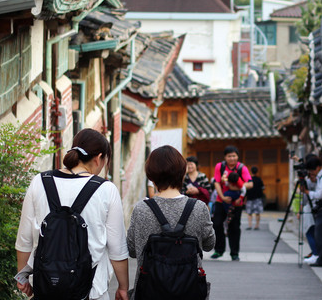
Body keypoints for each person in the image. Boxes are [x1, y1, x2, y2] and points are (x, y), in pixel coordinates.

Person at [15, 129, 130, 300]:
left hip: (47, 287)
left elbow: (24, 239)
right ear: (98, 158)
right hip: (92, 291)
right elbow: (117, 248)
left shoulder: (39, 182)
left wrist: (23, 277)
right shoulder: (106, 190)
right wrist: (123, 286)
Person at [126, 146, 216, 299]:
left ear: (151, 176)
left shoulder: (141, 209)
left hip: (149, 291)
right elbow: (209, 245)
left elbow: (132, 250)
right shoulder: (199, 208)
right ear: (182, 174)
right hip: (189, 290)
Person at [211, 145, 253, 261]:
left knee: (234, 227)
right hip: (221, 200)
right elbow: (217, 183)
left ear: (237, 156)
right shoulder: (220, 166)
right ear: (225, 157)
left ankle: (234, 253)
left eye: (234, 156)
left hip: (236, 202)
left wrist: (236, 187)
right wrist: (223, 197)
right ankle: (219, 250)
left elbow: (250, 184)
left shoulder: (241, 168)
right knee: (217, 224)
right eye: (229, 156)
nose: (232, 158)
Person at [299, 153, 322, 267]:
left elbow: (320, 194)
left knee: (319, 235)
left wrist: (306, 192)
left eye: (311, 171)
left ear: (317, 168)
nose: (311, 174)